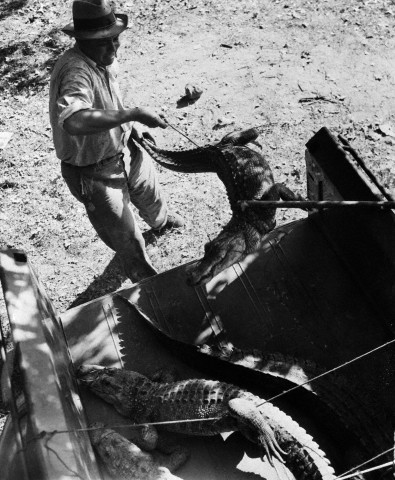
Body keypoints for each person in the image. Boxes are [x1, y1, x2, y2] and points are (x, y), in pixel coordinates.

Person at [49, 0, 184, 283]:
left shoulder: (104, 58)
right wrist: (133, 112)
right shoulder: (76, 72)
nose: (113, 48)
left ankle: (159, 223)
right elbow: (74, 120)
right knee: (128, 240)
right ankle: (150, 287)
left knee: (150, 192)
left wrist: (129, 124)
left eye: (116, 39)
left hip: (125, 149)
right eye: (103, 42)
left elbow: (110, 100)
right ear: (82, 40)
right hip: (93, 171)